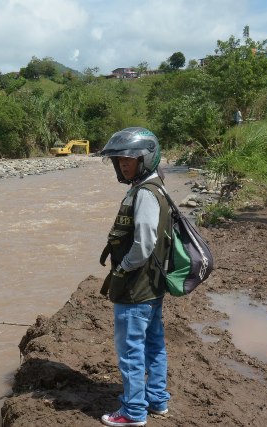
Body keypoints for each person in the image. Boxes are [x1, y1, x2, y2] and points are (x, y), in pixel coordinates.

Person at [98, 127, 171, 427]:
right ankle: (157, 400)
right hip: (153, 285)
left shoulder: (145, 194)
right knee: (154, 345)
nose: (123, 165)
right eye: (119, 160)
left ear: (145, 159)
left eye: (128, 159)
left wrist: (122, 268)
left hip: (136, 288)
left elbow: (143, 245)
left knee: (131, 352)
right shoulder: (156, 187)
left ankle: (133, 412)